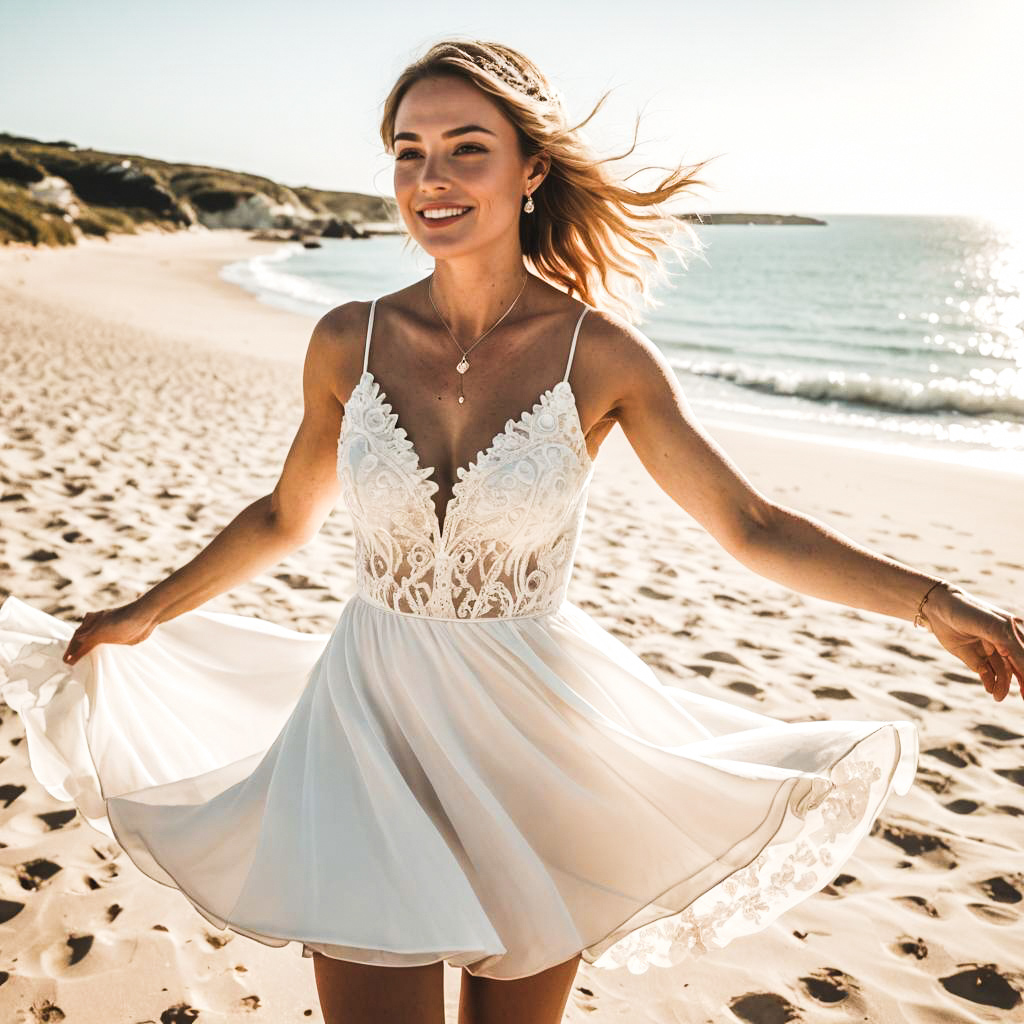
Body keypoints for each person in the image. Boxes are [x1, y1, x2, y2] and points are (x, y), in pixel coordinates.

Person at [2, 37, 1022, 1024]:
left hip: (533, 735)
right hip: (366, 724)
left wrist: (933, 604)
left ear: (531, 168)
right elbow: (282, 515)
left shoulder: (601, 355)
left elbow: (749, 526)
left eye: (465, 149)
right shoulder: (346, 338)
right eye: (409, 151)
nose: (430, 177)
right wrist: (141, 613)